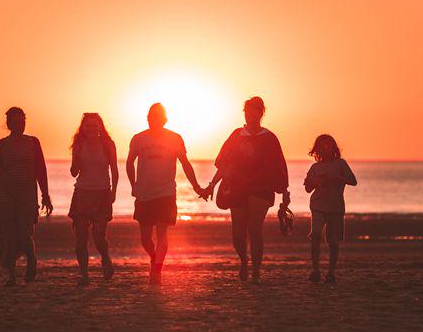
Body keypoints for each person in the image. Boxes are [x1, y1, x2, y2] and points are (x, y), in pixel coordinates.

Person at [203, 96, 289, 282]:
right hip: (237, 187)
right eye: (248, 111)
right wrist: (212, 184)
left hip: (261, 189)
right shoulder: (236, 135)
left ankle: (256, 271)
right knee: (238, 234)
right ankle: (244, 261)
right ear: (245, 113)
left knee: (254, 229)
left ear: (261, 113)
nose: (251, 115)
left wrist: (284, 191)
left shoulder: (269, 138)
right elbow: (224, 164)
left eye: (255, 111)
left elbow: (279, 165)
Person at [127, 103, 206, 285]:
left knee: (162, 233)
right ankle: (154, 258)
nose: (154, 119)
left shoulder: (175, 138)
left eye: (157, 116)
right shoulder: (138, 139)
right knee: (145, 238)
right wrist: (134, 185)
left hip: (166, 192)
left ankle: (157, 269)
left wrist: (196, 186)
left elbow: (185, 163)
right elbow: (129, 162)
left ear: (164, 119)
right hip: (144, 194)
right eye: (151, 116)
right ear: (147, 118)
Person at [0, 107, 53, 287]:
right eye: (15, 122)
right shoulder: (1, 146)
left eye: (22, 121)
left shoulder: (33, 143)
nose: (19, 125)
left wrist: (45, 195)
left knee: (24, 233)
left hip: (27, 195)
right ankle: (10, 274)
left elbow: (41, 170)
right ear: (8, 124)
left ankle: (31, 259)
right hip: (4, 194)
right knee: (7, 234)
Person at [68, 113, 118, 285]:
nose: (90, 129)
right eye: (87, 126)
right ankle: (84, 275)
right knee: (81, 237)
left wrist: (114, 192)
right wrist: (77, 159)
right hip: (82, 193)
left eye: (94, 125)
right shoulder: (79, 145)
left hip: (102, 193)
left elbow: (115, 170)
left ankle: (105, 258)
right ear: (83, 128)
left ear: (99, 127)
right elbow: (74, 172)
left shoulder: (108, 145)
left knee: (98, 236)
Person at [304, 134, 357, 283]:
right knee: (315, 235)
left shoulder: (341, 164)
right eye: (321, 146)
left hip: (335, 207)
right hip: (318, 206)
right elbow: (308, 188)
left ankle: (331, 272)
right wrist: (317, 181)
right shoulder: (315, 167)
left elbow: (353, 181)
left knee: (333, 242)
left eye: (328, 146)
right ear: (317, 149)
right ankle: (315, 271)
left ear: (333, 148)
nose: (325, 149)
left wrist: (338, 178)